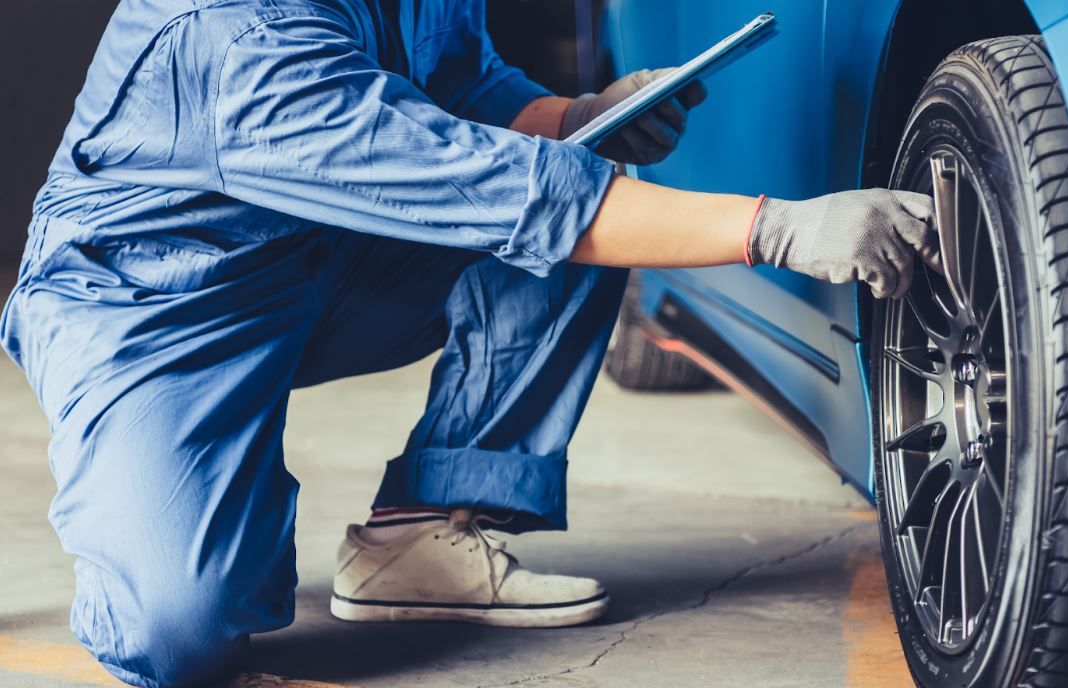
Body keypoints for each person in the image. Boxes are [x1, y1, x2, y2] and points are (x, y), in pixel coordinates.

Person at [0, 0, 940, 686]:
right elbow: (506, 195)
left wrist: (577, 118)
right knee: (178, 635)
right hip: (158, 305)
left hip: (323, 258)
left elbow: (463, 89)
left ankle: (421, 537)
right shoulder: (237, 36)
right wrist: (776, 229)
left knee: (572, 176)